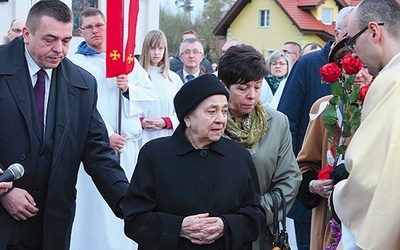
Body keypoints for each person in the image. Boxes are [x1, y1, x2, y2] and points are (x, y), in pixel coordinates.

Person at [0, 1, 129, 249]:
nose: (59, 49)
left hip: (52, 225)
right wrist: (4, 191)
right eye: (50, 40)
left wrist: (128, 201)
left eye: (66, 40)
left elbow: (98, 152)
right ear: (27, 34)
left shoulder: (82, 84)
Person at [123, 74, 265, 249]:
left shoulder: (238, 155)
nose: (221, 120)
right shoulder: (155, 155)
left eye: (224, 111)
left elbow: (256, 216)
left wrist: (225, 226)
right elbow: (135, 219)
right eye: (212, 111)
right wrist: (178, 227)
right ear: (187, 118)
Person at [69, 8, 156, 250]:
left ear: (107, 27)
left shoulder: (127, 62)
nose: (95, 31)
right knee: (95, 210)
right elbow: (82, 105)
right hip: (95, 149)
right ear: (80, 32)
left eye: (99, 25)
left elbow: (150, 96)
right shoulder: (76, 63)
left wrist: (128, 88)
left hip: (127, 148)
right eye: (89, 27)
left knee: (125, 200)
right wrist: (105, 134)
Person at [277, 7, 354, 249]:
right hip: (313, 190)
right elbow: (287, 120)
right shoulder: (308, 65)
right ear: (337, 32)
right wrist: (301, 179)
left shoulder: (367, 80)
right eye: (350, 36)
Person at [218, 44, 301, 249]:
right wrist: (227, 222)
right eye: (242, 88)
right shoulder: (211, 123)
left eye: (257, 86)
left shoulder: (277, 122)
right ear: (223, 86)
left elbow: (289, 179)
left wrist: (253, 215)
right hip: (219, 232)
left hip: (262, 231)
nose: (252, 96)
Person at [332, 0, 400, 248]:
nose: (353, 53)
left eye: (352, 41)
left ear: (374, 32)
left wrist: (338, 194)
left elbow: (368, 179)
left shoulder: (390, 83)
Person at [297, 37, 373, 250]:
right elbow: (305, 164)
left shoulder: (382, 108)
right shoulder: (324, 108)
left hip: (366, 216)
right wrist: (313, 185)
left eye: (364, 66)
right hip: (329, 216)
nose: (358, 73)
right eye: (350, 65)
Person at [139, 29, 183, 147]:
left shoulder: (174, 79)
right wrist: (141, 122)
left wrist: (166, 122)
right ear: (146, 49)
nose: (156, 53)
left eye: (160, 48)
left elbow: (182, 111)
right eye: (152, 48)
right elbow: (126, 109)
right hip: (142, 137)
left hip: (166, 136)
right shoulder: (136, 77)